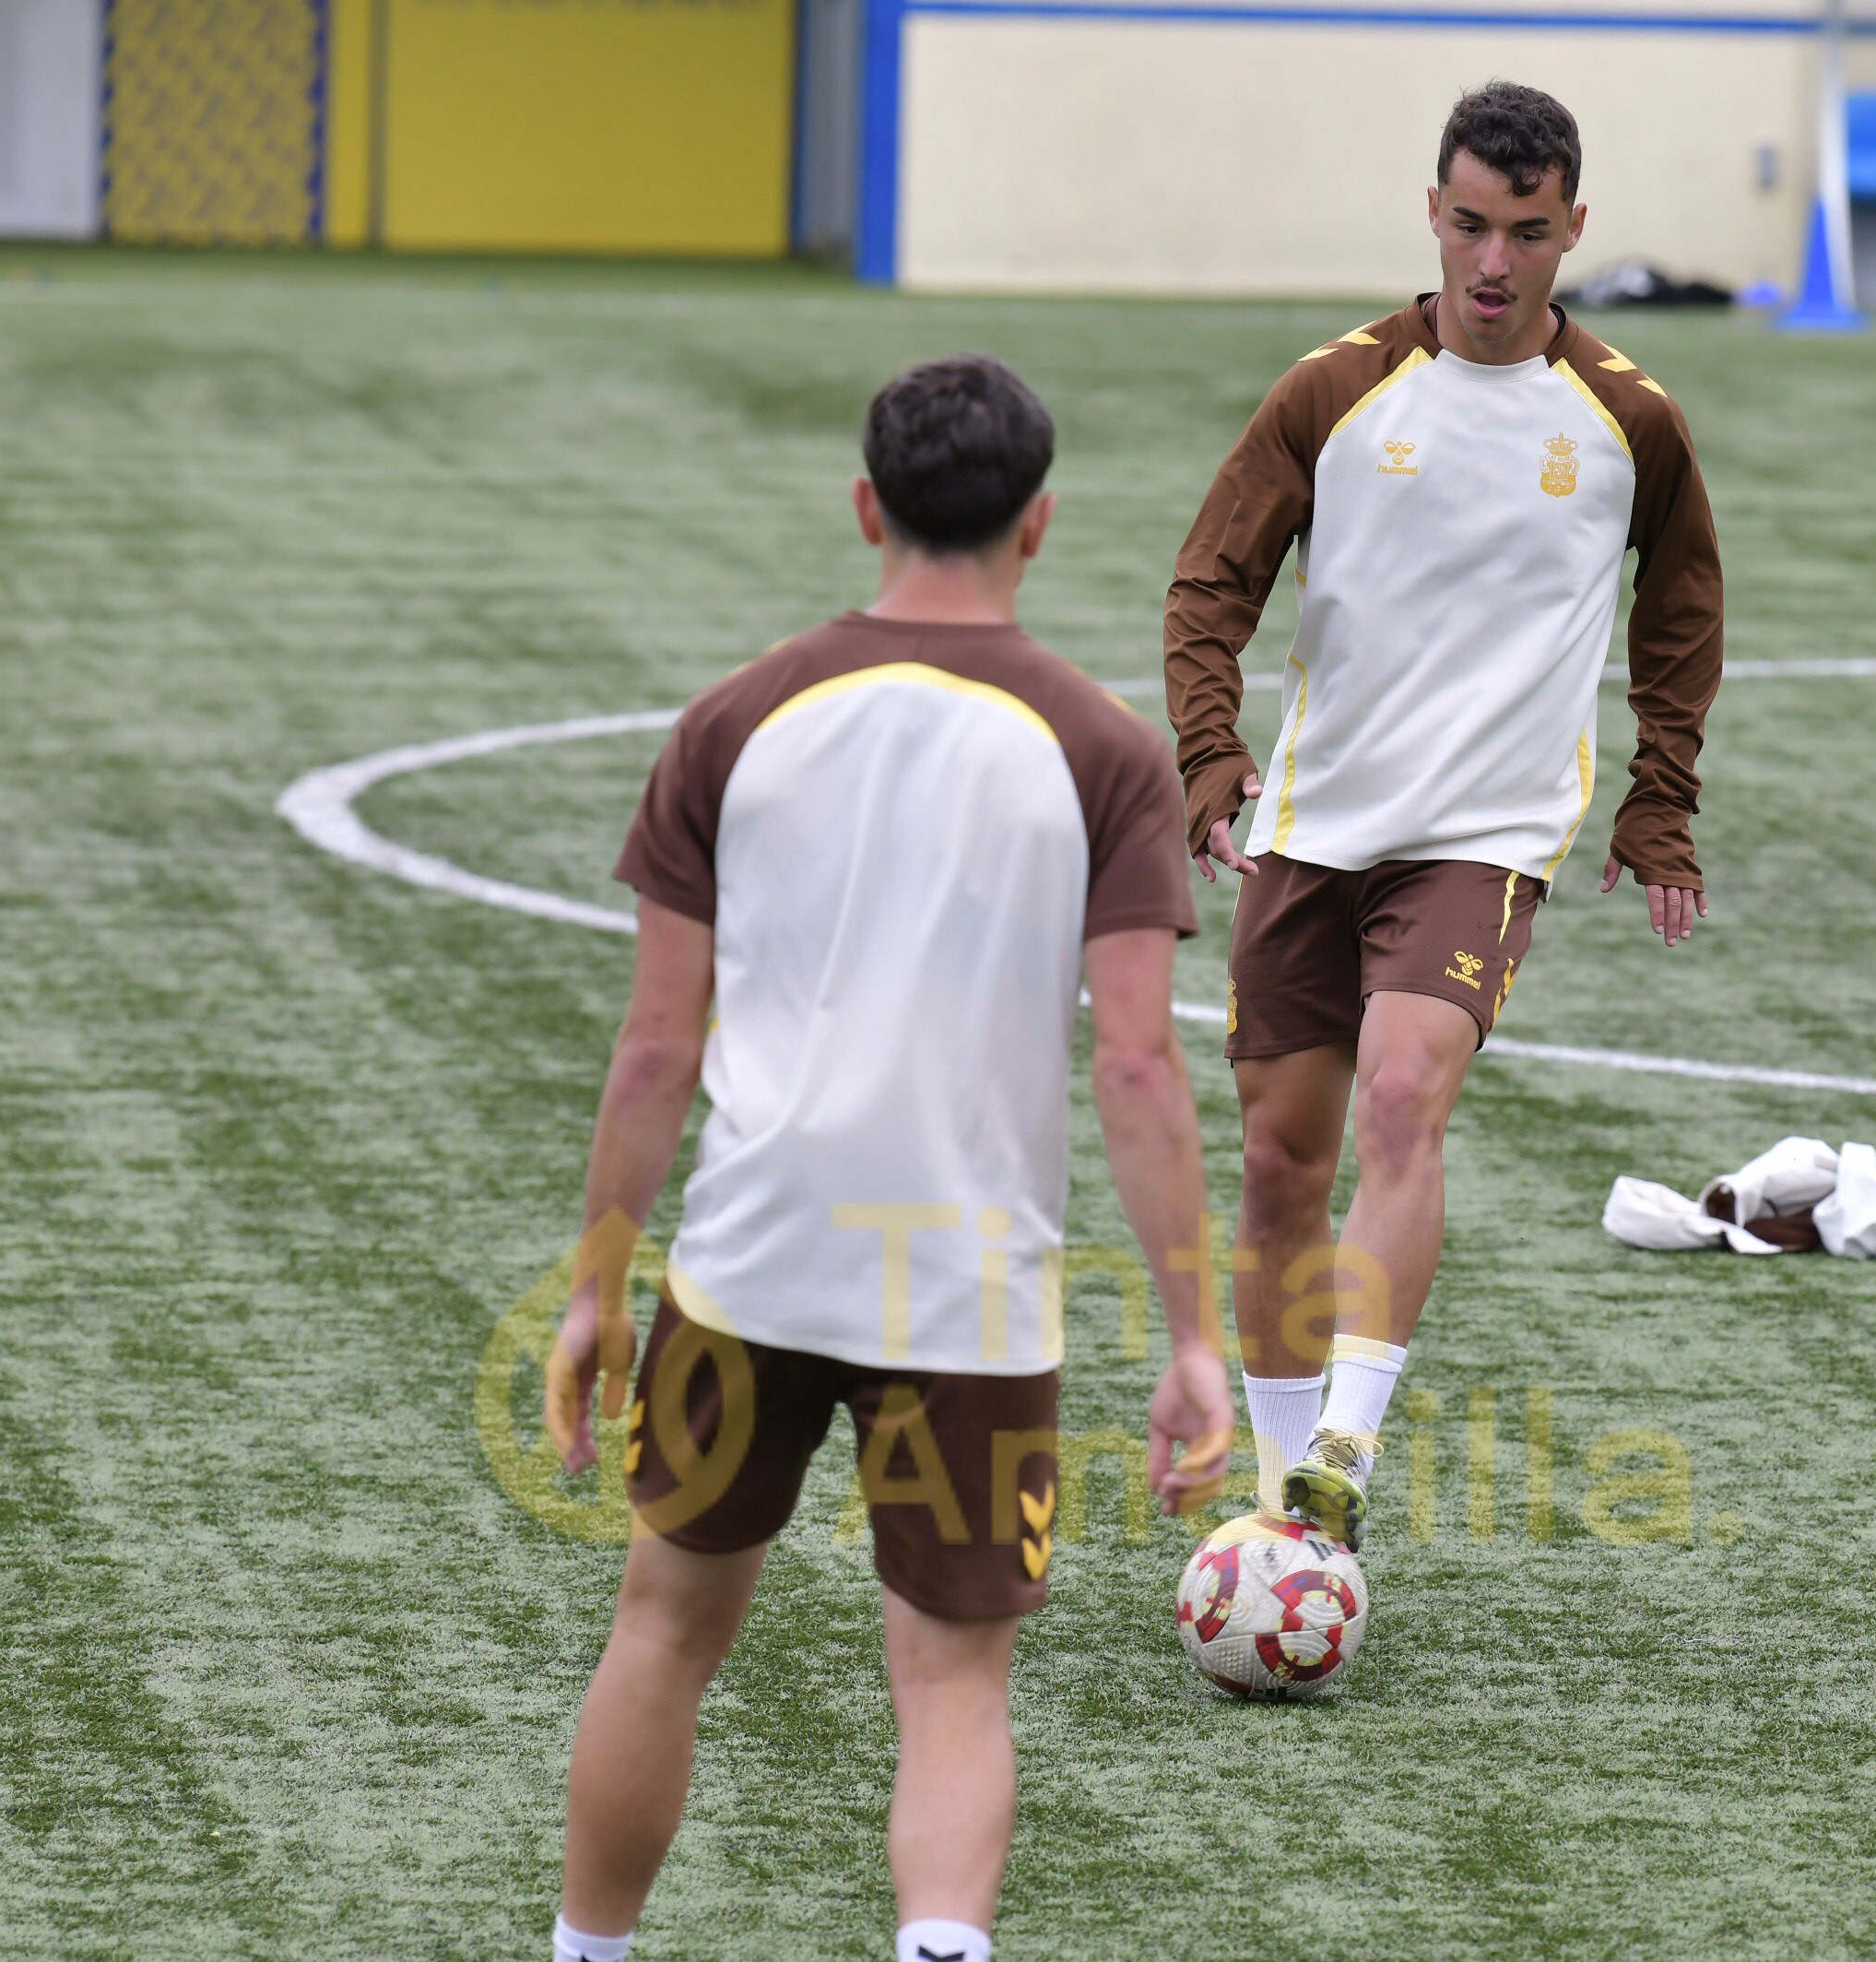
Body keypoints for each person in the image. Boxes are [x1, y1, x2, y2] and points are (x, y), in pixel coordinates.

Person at [543, 354, 1235, 1962]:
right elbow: (1136, 1061)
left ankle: (586, 1954)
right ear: (1040, 524)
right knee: (951, 1680)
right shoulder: (1104, 751)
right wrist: (1196, 1335)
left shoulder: (737, 717)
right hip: (970, 1288)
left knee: (662, 1634)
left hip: (753, 1259)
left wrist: (594, 1288)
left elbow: (656, 1046)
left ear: (868, 508)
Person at [1163, 80, 1725, 1550]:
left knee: (1406, 1099)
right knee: (1283, 1161)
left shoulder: (1628, 422)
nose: (1493, 263)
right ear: (1433, 211)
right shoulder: (1335, 390)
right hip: (1316, 825)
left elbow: (1681, 606)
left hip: (1486, 832)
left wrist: (1660, 800)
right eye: (1470, 225)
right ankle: (1283, 1485)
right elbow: (1210, 583)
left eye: (1527, 234)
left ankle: (1344, 1452)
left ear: (1574, 232)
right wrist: (1210, 757)